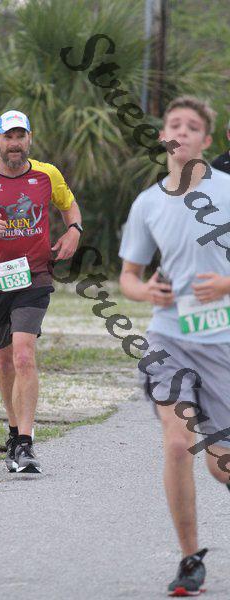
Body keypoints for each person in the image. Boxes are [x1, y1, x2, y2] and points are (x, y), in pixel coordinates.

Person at [119, 96, 230, 597]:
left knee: (220, 463)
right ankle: (190, 560)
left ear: (206, 139)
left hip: (223, 339)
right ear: (163, 136)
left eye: (192, 126)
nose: (181, 132)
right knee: (177, 443)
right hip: (168, 338)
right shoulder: (147, 203)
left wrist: (225, 285)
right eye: (174, 125)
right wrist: (146, 292)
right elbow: (128, 276)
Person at [0, 110, 82, 473]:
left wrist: (74, 231)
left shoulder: (47, 174)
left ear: (29, 139)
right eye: (8, 136)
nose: (14, 143)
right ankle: (13, 433)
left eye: (20, 136)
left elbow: (69, 205)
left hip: (34, 277)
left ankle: (25, 443)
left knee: (24, 355)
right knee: (5, 361)